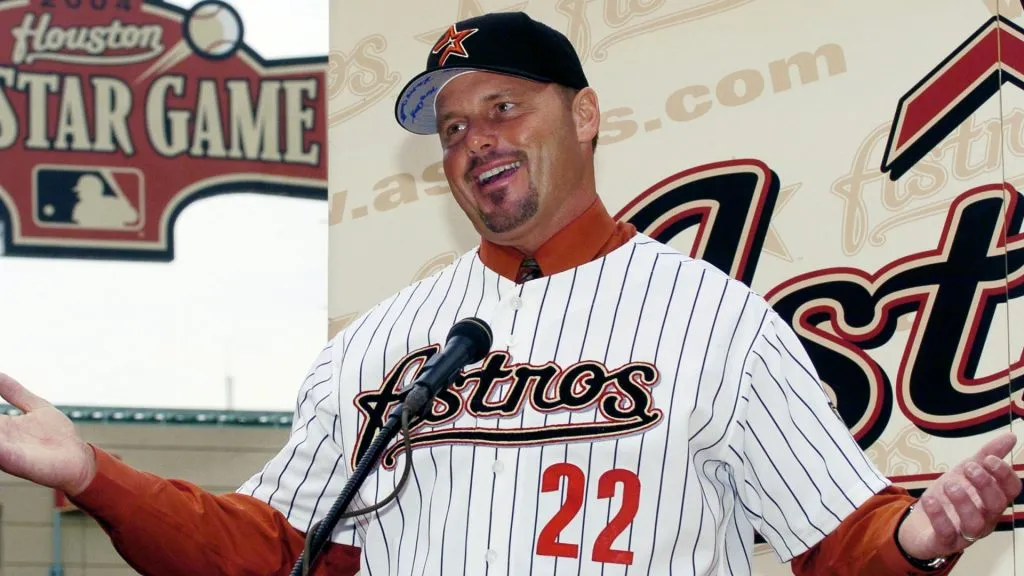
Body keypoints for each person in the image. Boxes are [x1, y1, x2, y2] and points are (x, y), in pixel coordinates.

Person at [0, 10, 1019, 576]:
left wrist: (921, 536)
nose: (474, 139)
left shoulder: (719, 322)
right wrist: (96, 475)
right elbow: (270, 549)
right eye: (451, 128)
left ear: (583, 116)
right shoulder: (378, 344)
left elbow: (840, 541)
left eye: (503, 106)